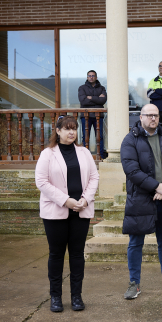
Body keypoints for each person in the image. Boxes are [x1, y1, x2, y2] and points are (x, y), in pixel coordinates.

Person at [35, 115, 99, 312]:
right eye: (67, 128)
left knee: (77, 254)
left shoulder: (84, 152)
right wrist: (66, 201)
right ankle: (55, 297)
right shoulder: (48, 154)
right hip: (56, 211)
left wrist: (85, 199)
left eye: (74, 128)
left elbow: (94, 177)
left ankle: (76, 297)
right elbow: (42, 182)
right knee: (56, 254)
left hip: (81, 210)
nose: (71, 132)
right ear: (58, 131)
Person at [120, 103, 162, 299]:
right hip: (140, 199)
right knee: (135, 242)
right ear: (140, 117)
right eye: (148, 115)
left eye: (155, 115)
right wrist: (156, 186)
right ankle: (134, 283)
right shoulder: (130, 140)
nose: (153, 119)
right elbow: (131, 170)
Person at [78, 70, 107, 159]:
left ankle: (101, 156)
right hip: (86, 116)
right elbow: (83, 101)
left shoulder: (101, 88)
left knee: (100, 137)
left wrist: (90, 98)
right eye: (89, 76)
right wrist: (97, 99)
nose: (91, 77)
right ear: (87, 77)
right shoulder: (82, 88)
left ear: (96, 77)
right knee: (85, 137)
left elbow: (103, 100)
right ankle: (85, 157)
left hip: (98, 116)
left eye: (93, 76)